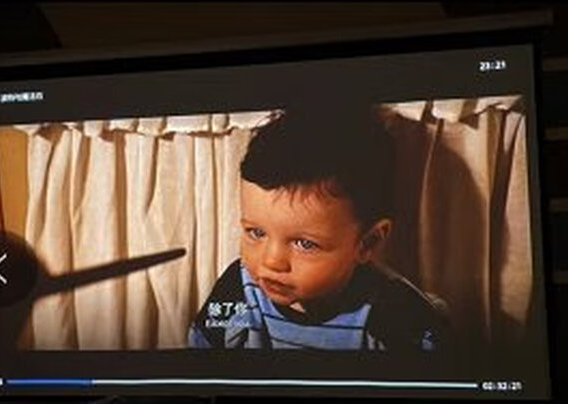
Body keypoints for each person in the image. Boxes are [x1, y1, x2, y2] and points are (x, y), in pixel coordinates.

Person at [187, 105, 447, 351]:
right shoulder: (237, 290)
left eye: (304, 243)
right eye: (256, 233)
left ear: (368, 243)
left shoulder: (395, 314)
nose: (271, 262)